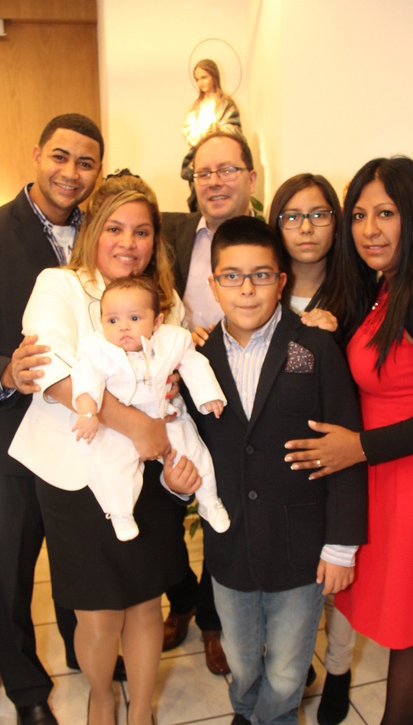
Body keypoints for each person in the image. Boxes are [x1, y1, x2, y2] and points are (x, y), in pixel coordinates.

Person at [284, 156, 413, 725]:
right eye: (360, 215)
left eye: (385, 214)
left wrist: (361, 447)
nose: (369, 229)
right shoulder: (389, 286)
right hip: (398, 472)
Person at [8, 171, 200, 725]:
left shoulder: (165, 299)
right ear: (92, 230)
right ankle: (100, 693)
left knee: (145, 606)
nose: (129, 242)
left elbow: (181, 376)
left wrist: (173, 422)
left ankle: (140, 712)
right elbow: (52, 371)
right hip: (75, 474)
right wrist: (137, 424)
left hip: (146, 478)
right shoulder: (60, 285)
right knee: (96, 616)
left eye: (142, 231)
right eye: (115, 228)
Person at [0, 113, 110, 725]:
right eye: (60, 157)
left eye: (86, 163)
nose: (71, 172)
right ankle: (27, 691)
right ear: (37, 154)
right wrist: (7, 373)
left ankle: (83, 653)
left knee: (78, 562)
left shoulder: (102, 233)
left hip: (84, 436)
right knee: (12, 575)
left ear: (98, 171)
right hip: (12, 442)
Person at [182, 215, 367, 725]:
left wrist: (341, 545)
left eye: (261, 275)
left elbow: (347, 450)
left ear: (281, 280)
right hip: (230, 541)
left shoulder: (315, 347)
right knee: (240, 653)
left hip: (301, 545)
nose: (246, 289)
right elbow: (187, 445)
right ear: (213, 285)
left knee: (288, 661)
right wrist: (177, 482)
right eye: (231, 277)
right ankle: (247, 712)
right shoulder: (195, 360)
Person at [161, 130, 257, 672]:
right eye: (204, 172)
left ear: (251, 177)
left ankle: (214, 619)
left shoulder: (270, 237)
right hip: (171, 395)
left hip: (237, 401)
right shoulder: (171, 233)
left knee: (225, 508)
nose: (215, 181)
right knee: (166, 509)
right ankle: (180, 600)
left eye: (227, 170)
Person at [269, 174, 356, 725]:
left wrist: (333, 337)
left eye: (319, 214)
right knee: (294, 572)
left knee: (342, 571)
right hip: (284, 456)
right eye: (293, 216)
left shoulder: (359, 292)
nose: (306, 227)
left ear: (336, 222)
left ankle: (340, 669)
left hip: (342, 452)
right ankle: (296, 664)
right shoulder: (264, 290)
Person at [71, 274, 230, 540]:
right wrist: (87, 413)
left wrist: (207, 395)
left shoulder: (172, 340)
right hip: (122, 426)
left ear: (156, 321)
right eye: (113, 320)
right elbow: (86, 381)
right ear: (101, 322)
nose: (123, 327)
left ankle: (210, 502)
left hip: (168, 417)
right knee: (112, 464)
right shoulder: (96, 349)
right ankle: (121, 514)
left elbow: (193, 364)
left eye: (134, 318)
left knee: (195, 452)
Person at [181, 59, 242, 211]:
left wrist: (219, 131)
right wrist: (204, 135)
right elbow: (189, 130)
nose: (200, 83)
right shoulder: (196, 107)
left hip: (223, 157)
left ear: (214, 76)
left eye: (204, 77)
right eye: (197, 79)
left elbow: (234, 128)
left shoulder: (226, 103)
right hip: (201, 157)